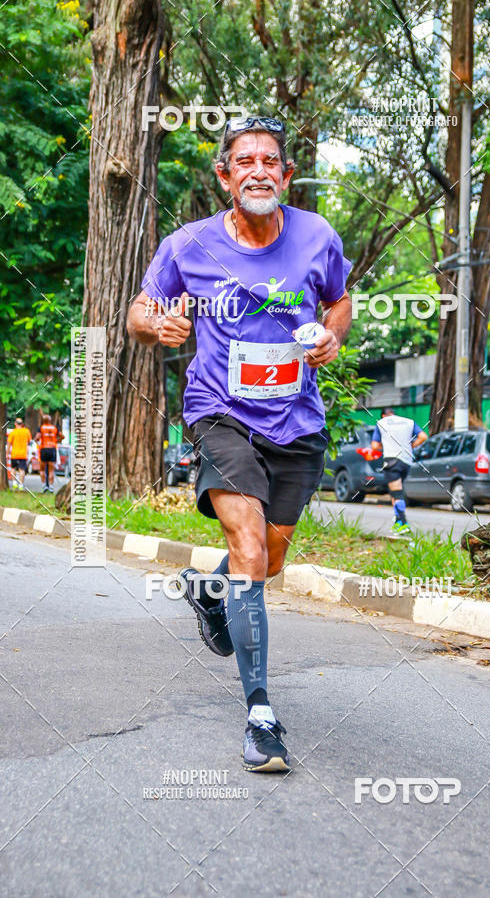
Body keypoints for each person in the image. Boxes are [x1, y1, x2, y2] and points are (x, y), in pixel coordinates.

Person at [127, 115, 352, 773]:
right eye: (245, 160)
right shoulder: (188, 245)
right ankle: (260, 715)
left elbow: (340, 303)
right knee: (248, 545)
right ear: (225, 177)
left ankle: (209, 590)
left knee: (268, 561)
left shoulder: (317, 236)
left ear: (285, 175)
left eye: (271, 160)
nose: (259, 169)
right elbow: (142, 311)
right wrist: (158, 324)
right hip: (220, 414)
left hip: (298, 423)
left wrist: (332, 335)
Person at [370, 408, 427, 535]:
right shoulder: (409, 422)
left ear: (383, 415)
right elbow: (423, 436)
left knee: (396, 493)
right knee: (395, 491)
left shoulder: (381, 423)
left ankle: (404, 523)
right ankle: (397, 522)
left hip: (391, 460)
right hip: (406, 461)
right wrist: (411, 446)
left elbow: (374, 445)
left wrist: (385, 449)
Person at [35, 414, 64, 493]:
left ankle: (44, 485)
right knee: (51, 470)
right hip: (52, 449)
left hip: (44, 449)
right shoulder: (54, 428)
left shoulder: (41, 428)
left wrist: (36, 440)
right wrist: (56, 441)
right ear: (50, 420)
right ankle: (51, 487)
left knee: (42, 469)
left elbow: (37, 437)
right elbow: (62, 436)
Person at [7, 418, 32, 490]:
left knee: (13, 468)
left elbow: (9, 443)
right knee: (22, 470)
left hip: (14, 454)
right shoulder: (26, 431)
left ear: (15, 424)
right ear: (22, 424)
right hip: (23, 454)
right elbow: (30, 441)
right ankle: (21, 484)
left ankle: (14, 482)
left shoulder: (13, 432)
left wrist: (7, 453)